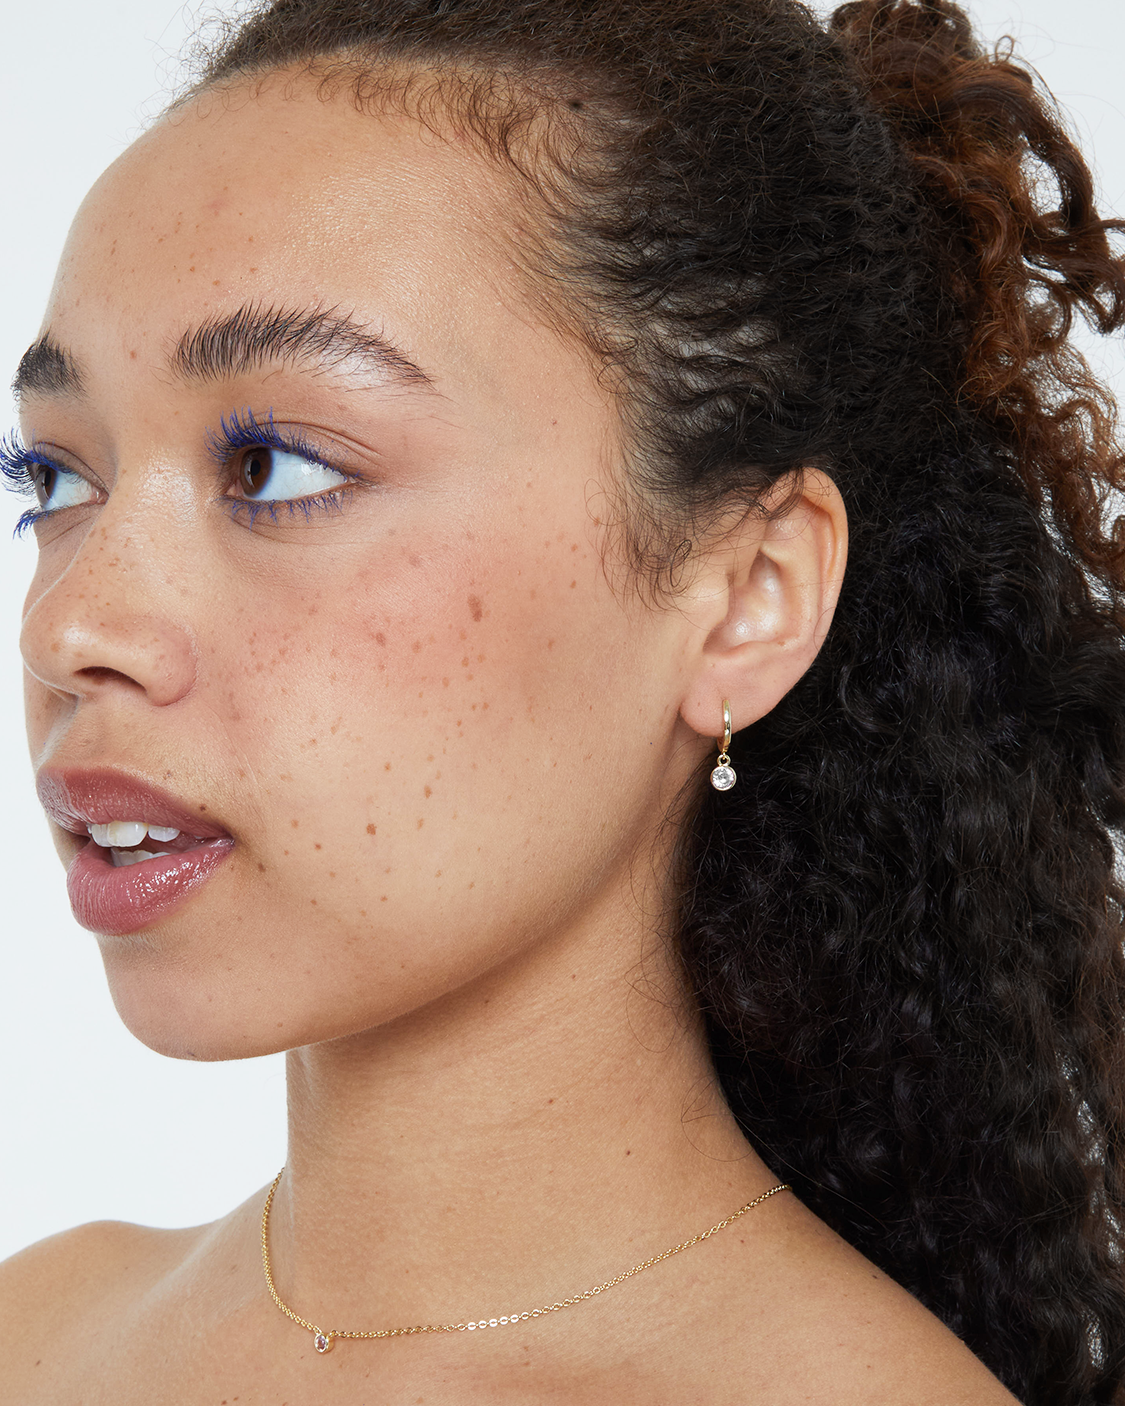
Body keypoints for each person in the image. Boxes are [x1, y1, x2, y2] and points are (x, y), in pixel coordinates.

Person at [2, 0, 1124, 1400]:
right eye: (52, 477)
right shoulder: (33, 1326)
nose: (74, 624)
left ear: (746, 596)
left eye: (278, 466)